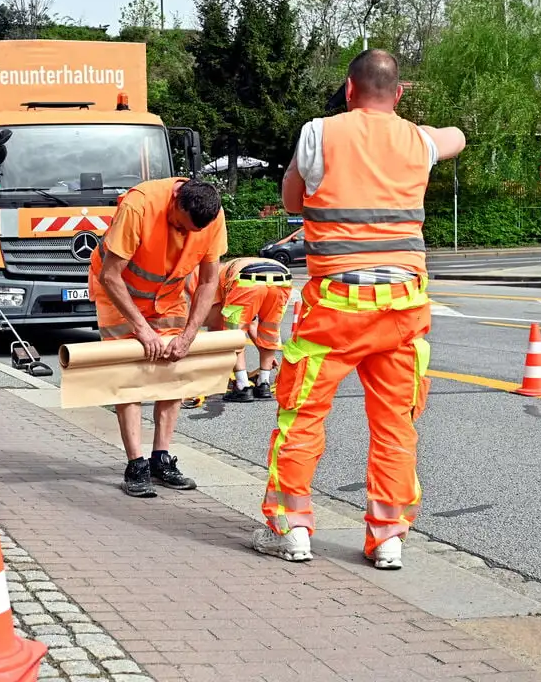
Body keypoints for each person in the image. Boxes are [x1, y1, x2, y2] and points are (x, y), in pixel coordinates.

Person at [251, 49, 466, 571]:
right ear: (397, 93)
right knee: (395, 424)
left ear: (348, 90)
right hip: (403, 307)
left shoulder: (319, 133)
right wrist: (417, 128)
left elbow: (292, 203)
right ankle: (387, 536)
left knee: (301, 416)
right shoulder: (419, 141)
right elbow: (455, 136)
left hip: (335, 305)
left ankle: (293, 529)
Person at [89, 177, 228, 498]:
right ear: (176, 201)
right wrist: (141, 328)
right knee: (130, 376)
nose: (184, 235)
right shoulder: (138, 205)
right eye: (180, 226)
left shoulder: (212, 215)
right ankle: (135, 464)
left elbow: (208, 282)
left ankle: (160, 459)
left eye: (191, 232)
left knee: (172, 371)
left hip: (168, 294)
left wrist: (189, 337)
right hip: (117, 296)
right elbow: (110, 274)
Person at [181, 256, 293, 407]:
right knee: (269, 329)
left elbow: (215, 324)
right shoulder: (221, 270)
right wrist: (264, 350)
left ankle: (242, 386)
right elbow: (252, 325)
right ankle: (264, 383)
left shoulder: (203, 278)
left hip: (244, 279)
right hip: (282, 278)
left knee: (233, 334)